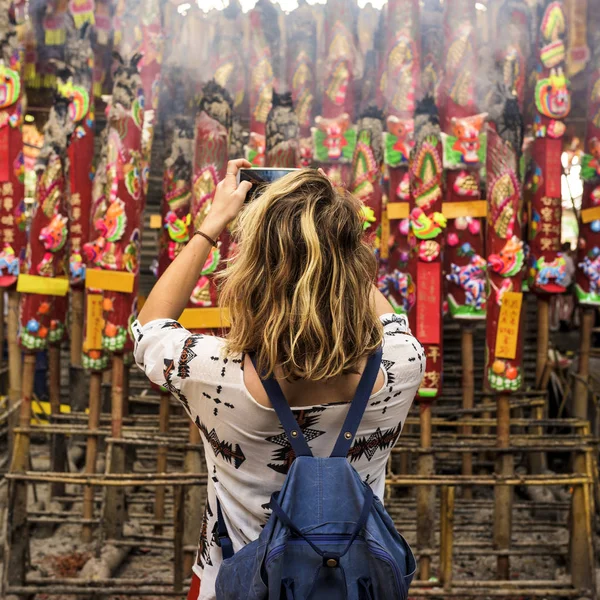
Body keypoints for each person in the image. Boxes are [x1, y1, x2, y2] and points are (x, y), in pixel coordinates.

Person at [133, 159, 424, 600]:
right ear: (352, 264)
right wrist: (329, 234)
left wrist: (213, 223)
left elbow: (149, 328)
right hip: (352, 585)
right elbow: (383, 312)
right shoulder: (404, 365)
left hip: (233, 583)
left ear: (253, 275)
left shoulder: (213, 374)